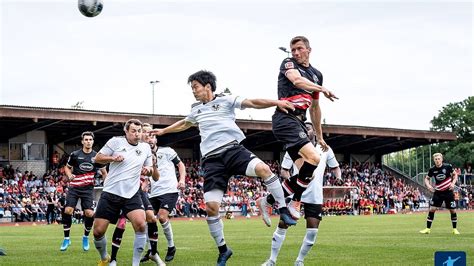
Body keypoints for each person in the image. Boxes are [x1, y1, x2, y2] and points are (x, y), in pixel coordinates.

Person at [150, 70, 297, 266]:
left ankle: (283, 208)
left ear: (208, 86)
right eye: (192, 88)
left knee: (264, 169)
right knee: (212, 208)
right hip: (212, 161)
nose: (193, 91)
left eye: (195, 87)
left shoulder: (227, 100)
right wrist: (163, 130)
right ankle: (223, 249)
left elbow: (252, 102)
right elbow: (184, 123)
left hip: (233, 150)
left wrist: (276, 102)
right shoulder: (197, 110)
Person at [271, 36, 337, 217]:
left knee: (308, 174)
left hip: (299, 122)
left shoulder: (317, 75)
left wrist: (320, 136)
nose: (296, 53)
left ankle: (267, 201)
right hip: (285, 119)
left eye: (300, 49)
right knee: (314, 158)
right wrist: (322, 89)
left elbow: (315, 109)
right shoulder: (288, 64)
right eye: (293, 50)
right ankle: (295, 202)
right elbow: (297, 81)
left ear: (309, 50)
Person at [262, 142, 341, 266]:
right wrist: (293, 185)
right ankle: (271, 260)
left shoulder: (325, 148)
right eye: (304, 127)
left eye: (309, 127)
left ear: (315, 130)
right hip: (295, 194)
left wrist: (339, 177)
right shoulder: (295, 145)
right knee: (282, 224)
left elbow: (335, 167)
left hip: (315, 196)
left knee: (312, 231)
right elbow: (284, 171)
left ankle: (299, 261)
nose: (306, 129)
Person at [93, 119, 154, 266]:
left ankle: (135, 263)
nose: (137, 134)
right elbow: (97, 159)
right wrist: (112, 158)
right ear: (126, 131)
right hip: (110, 192)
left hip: (132, 193)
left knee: (141, 225)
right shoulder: (115, 142)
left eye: (139, 131)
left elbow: (150, 169)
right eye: (133, 131)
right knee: (98, 232)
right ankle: (104, 257)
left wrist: (148, 171)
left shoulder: (145, 148)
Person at [108, 123, 165, 266]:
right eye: (145, 132)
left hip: (138, 191)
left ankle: (153, 253)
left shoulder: (149, 151)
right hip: (123, 190)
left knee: (151, 218)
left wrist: (153, 167)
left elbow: (156, 177)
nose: (147, 135)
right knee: (121, 223)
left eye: (150, 134)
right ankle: (113, 259)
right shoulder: (128, 145)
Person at [141, 127, 186, 263]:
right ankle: (151, 250)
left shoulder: (167, 151)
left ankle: (171, 246)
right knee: (148, 219)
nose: (149, 139)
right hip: (154, 193)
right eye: (147, 137)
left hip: (169, 190)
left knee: (161, 217)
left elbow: (181, 165)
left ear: (156, 139)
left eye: (152, 136)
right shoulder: (144, 156)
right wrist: (146, 183)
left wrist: (182, 179)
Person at [60, 131, 107, 251]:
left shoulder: (97, 156)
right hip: (74, 187)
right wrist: (69, 174)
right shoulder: (75, 154)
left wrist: (107, 185)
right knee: (68, 210)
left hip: (87, 189)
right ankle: (66, 239)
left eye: (90, 140)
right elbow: (67, 167)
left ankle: (85, 237)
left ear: (93, 141)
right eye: (86, 139)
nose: (88, 141)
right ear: (82, 141)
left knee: (89, 214)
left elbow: (104, 172)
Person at [420, 153, 460, 235]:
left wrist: (453, 183)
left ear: (442, 159)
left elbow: (455, 174)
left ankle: (454, 229)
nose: (437, 160)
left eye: (439, 159)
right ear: (434, 160)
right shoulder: (432, 169)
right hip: (438, 192)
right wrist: (428, 186)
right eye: (436, 159)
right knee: (432, 209)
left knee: (453, 210)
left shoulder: (448, 166)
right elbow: (426, 179)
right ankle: (428, 229)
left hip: (448, 192)